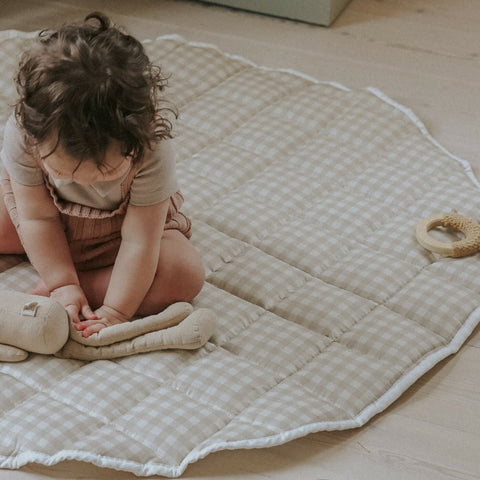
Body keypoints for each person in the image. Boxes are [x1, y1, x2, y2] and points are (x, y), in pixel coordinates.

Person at [0, 12, 205, 338]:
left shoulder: (150, 150)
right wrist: (60, 281)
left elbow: (140, 241)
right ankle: (60, 274)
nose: (84, 183)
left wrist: (115, 311)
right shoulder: (25, 135)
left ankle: (81, 284)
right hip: (38, 216)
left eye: (106, 172)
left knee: (184, 274)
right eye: (63, 171)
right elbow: (36, 219)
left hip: (120, 234)